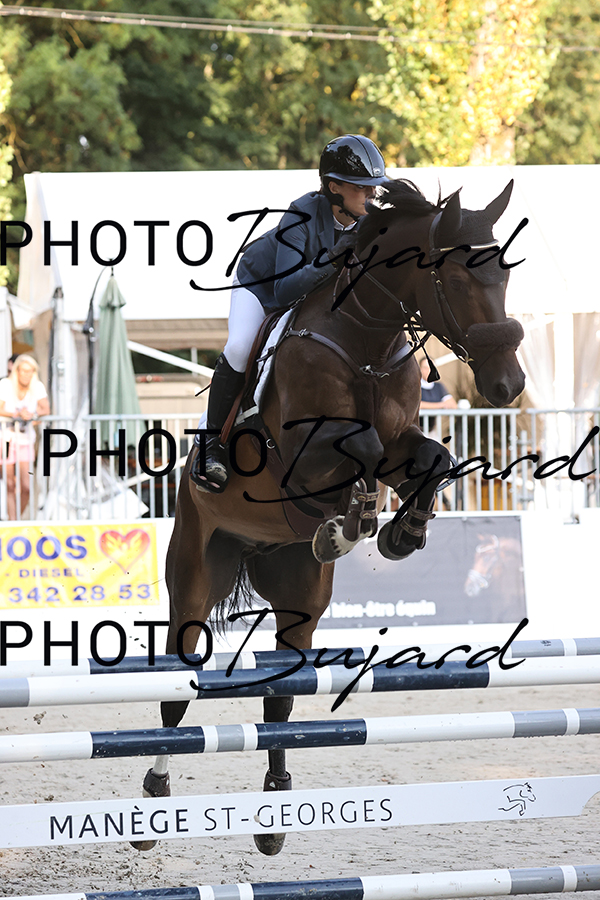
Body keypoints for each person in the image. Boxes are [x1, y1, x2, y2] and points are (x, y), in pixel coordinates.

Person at [192, 134, 387, 492]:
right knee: (240, 347)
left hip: (310, 299)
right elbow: (284, 290)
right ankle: (210, 444)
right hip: (261, 288)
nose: (370, 195)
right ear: (334, 188)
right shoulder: (300, 214)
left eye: (373, 188)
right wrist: (333, 258)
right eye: (361, 188)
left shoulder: (366, 222)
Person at [0, 354, 49, 519]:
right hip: (6, 438)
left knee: (26, 486)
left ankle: (15, 520)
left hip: (26, 439)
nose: (27, 375)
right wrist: (16, 414)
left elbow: (46, 409)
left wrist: (32, 416)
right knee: (9, 483)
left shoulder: (37, 386)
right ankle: (13, 520)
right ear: (17, 371)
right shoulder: (6, 384)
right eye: (24, 371)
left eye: (30, 371)